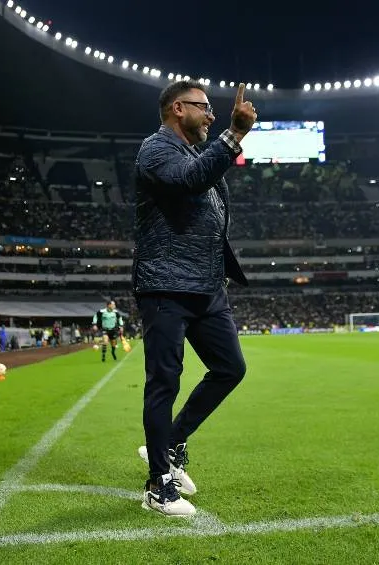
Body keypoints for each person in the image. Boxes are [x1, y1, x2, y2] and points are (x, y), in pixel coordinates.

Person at [132, 80, 255, 517]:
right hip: (166, 284)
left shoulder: (194, 153)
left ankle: (171, 443)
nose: (212, 115)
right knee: (164, 381)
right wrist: (234, 136)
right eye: (205, 107)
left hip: (206, 287)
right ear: (177, 109)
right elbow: (187, 184)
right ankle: (158, 485)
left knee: (230, 368)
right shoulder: (156, 149)